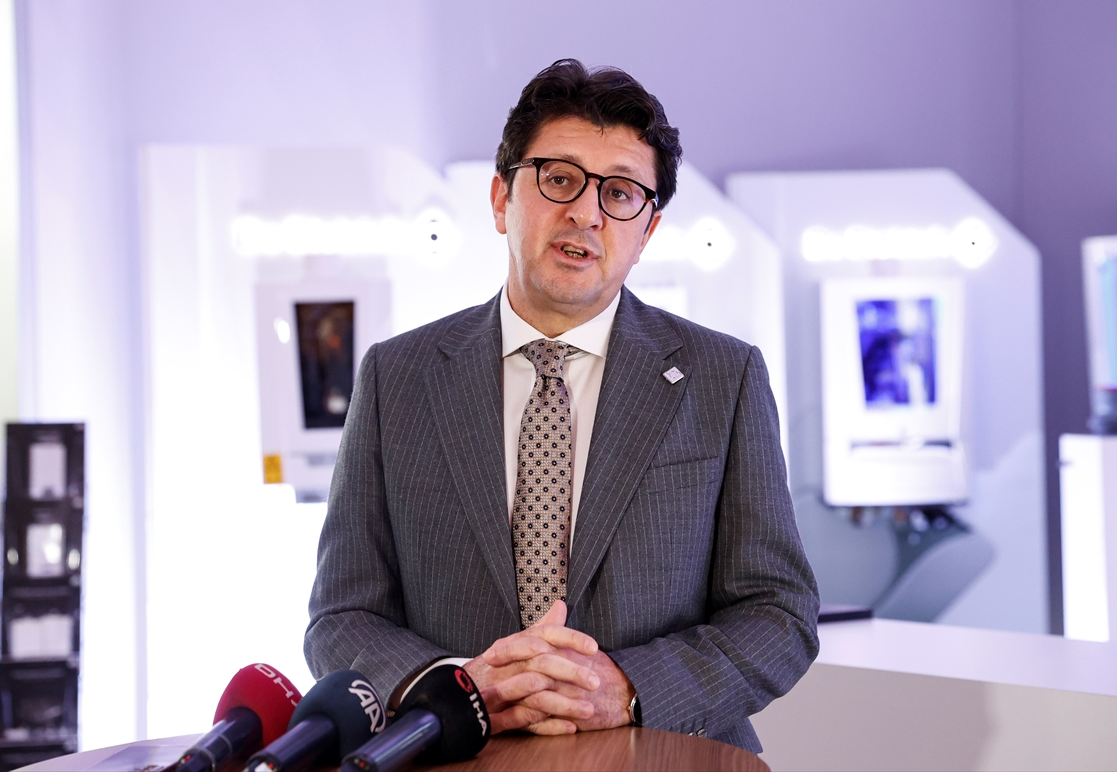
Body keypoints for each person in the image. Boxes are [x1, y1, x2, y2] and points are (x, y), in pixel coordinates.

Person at [305, 59, 819, 752]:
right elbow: (342, 615)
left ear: (647, 232)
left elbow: (779, 612)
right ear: (501, 199)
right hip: (456, 759)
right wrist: (455, 691)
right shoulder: (396, 378)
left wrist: (627, 688)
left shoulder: (724, 378)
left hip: (667, 757)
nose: (586, 212)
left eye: (620, 193)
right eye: (559, 179)